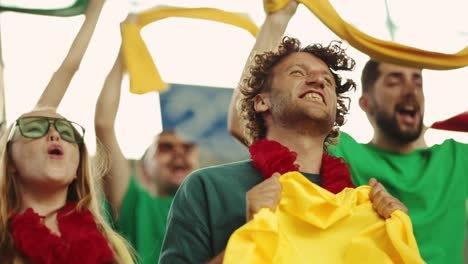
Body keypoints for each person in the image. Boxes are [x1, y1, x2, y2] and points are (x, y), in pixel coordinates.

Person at [160, 2, 408, 263]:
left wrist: (396, 236)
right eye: (298, 73)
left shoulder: (364, 207)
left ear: (336, 112)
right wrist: (252, 234)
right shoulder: (208, 187)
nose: (317, 81)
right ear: (261, 101)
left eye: (327, 81)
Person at [328, 60, 468, 264]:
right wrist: (276, 27)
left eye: (417, 82)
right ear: (366, 103)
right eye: (395, 82)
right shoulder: (344, 150)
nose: (411, 91)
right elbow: (271, 123)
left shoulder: (455, 157)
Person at [94, 17, 200, 264]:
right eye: (164, 147)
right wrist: (128, 43)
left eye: (187, 147)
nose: (178, 153)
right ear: (143, 171)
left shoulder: (215, 210)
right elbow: (103, 124)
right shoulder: (134, 204)